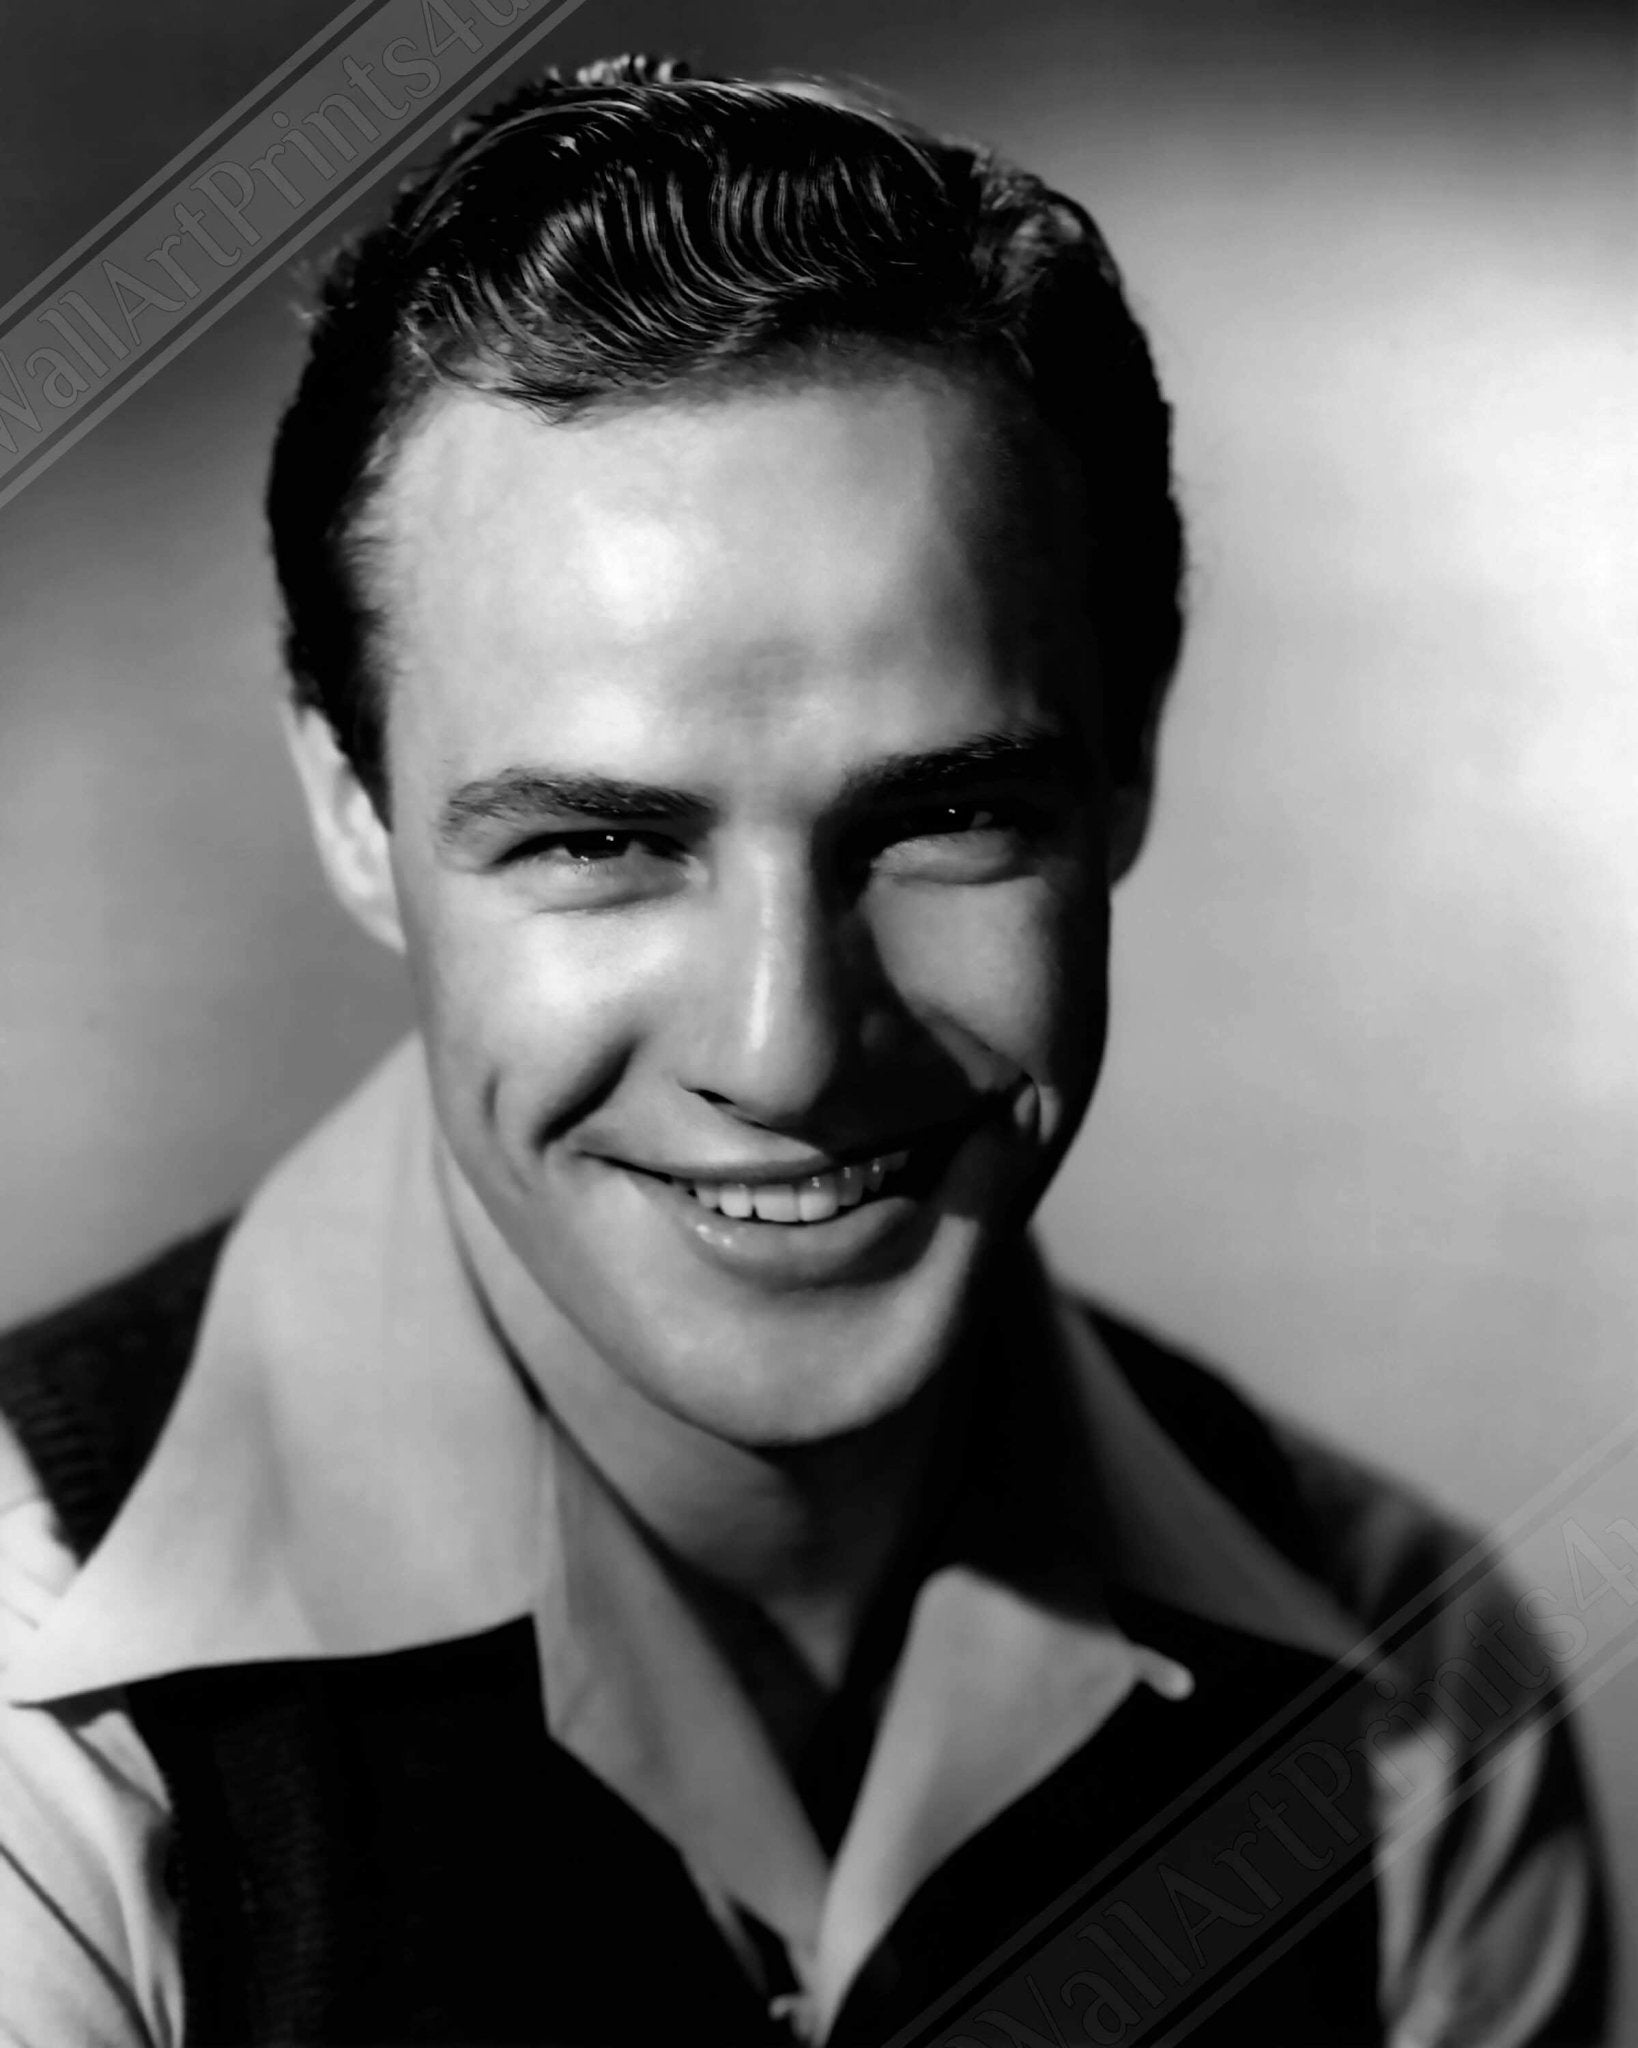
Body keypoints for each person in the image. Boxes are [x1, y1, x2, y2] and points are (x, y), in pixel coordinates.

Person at [0, 55, 1611, 2048]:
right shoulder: (39, 1740)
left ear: (1128, 756)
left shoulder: (1410, 1711)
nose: (784, 1052)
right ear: (351, 807)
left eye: (944, 817)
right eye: (597, 842)